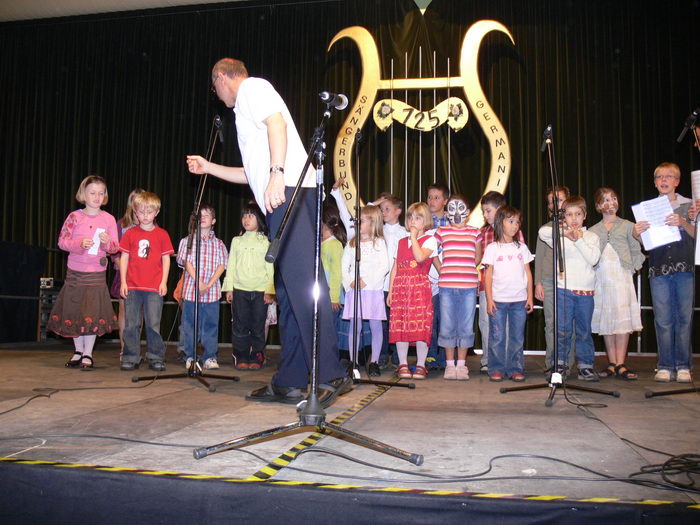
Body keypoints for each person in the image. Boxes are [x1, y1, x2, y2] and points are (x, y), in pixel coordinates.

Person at [186, 58, 350, 406]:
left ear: (221, 77)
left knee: (306, 288)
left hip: (289, 192)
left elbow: (277, 123)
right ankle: (290, 379)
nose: (215, 93)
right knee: (290, 296)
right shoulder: (244, 107)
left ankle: (331, 373)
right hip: (283, 195)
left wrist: (277, 171)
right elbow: (251, 173)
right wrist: (208, 167)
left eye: (214, 85)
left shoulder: (251, 88)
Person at [633, 162, 696, 383]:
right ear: (655, 182)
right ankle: (665, 365)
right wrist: (637, 233)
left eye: (669, 176)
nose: (663, 180)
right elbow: (646, 244)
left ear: (677, 181)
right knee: (663, 319)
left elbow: (697, 235)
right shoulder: (648, 208)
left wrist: (684, 222)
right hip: (658, 267)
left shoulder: (690, 204)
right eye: (659, 176)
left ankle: (683, 366)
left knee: (684, 318)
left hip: (684, 267)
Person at [47, 175, 119, 369]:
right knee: (75, 312)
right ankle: (78, 351)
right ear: (83, 194)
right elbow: (62, 242)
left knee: (92, 313)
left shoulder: (109, 219)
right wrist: (78, 244)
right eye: (92, 192)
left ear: (105, 196)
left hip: (96, 273)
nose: (96, 196)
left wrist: (106, 243)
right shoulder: (74, 217)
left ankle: (88, 353)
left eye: (101, 193)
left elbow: (114, 247)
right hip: (75, 272)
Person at [539, 196, 601, 381]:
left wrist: (579, 240)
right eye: (569, 214)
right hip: (563, 291)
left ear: (584, 215)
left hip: (585, 293)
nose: (573, 218)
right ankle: (561, 364)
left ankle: (585, 365)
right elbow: (542, 232)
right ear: (563, 217)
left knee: (583, 331)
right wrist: (565, 234)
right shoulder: (559, 236)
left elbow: (593, 259)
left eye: (577, 214)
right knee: (563, 330)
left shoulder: (592, 237)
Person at [589, 187, 644, 380]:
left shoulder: (628, 225)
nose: (610, 203)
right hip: (602, 280)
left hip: (621, 278)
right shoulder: (593, 231)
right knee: (607, 320)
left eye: (613, 199)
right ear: (598, 206)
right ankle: (612, 361)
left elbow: (636, 249)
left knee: (621, 320)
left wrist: (633, 265)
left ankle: (621, 362)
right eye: (605, 200)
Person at [119, 191, 174, 371]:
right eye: (141, 212)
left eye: (149, 212)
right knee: (131, 325)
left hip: (153, 288)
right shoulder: (130, 234)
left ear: (156, 212)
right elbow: (124, 258)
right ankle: (131, 356)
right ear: (135, 211)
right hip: (133, 286)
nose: (145, 216)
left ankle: (156, 356)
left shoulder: (162, 234)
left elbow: (166, 260)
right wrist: (123, 282)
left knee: (153, 324)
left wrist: (163, 282)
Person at [482, 206, 534, 382]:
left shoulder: (522, 248)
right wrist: (489, 299)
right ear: (500, 222)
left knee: (517, 337)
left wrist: (530, 296)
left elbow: (528, 273)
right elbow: (487, 275)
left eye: (517, 222)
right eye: (510, 221)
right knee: (497, 336)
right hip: (498, 301)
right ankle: (496, 368)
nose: (514, 225)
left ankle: (515, 368)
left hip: (519, 301)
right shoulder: (492, 248)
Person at [222, 202, 275, 370]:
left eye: (251, 215)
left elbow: (270, 268)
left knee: (258, 325)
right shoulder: (236, 241)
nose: (246, 219)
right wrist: (229, 288)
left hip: (260, 290)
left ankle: (257, 355)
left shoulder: (266, 242)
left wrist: (270, 290)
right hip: (240, 290)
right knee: (240, 325)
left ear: (259, 219)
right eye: (244, 215)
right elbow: (231, 265)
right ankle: (241, 355)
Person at [388, 202, 438, 380]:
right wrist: (391, 290)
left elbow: (419, 257)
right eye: (410, 217)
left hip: (419, 288)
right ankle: (402, 363)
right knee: (400, 325)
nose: (413, 221)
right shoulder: (400, 241)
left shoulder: (430, 240)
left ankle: (420, 365)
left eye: (418, 218)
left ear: (426, 221)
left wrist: (415, 237)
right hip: (401, 288)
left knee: (420, 326)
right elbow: (395, 267)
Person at [476, 191, 524, 374]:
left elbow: (523, 263)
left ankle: (508, 361)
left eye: (488, 211)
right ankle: (489, 360)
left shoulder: (515, 233)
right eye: (483, 212)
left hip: (511, 290)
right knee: (487, 323)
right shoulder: (483, 233)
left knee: (509, 327)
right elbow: (480, 262)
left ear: (500, 210)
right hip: (487, 288)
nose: (485, 215)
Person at [433, 195, 481, 381]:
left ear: (468, 213)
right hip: (446, 286)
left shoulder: (475, 232)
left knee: (465, 325)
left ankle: (461, 365)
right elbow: (432, 253)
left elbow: (477, 257)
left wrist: (467, 269)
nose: (456, 213)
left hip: (468, 287)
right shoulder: (441, 231)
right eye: (451, 210)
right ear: (446, 214)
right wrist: (441, 268)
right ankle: (449, 364)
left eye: (461, 209)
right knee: (447, 324)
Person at [177, 204, 228, 371]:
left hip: (212, 292)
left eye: (207, 215)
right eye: (200, 215)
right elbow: (186, 262)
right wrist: (199, 282)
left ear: (213, 220)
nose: (203, 217)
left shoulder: (219, 243)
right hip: (192, 290)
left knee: (211, 325)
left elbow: (222, 265)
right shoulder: (187, 241)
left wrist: (210, 283)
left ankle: (210, 357)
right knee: (190, 325)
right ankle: (190, 356)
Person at [342, 205, 390, 377]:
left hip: (372, 290)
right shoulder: (351, 244)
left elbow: (384, 266)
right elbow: (344, 266)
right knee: (355, 326)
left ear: (372, 223)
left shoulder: (379, 243)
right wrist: (350, 282)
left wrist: (366, 281)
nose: (358, 223)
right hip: (355, 291)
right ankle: (353, 361)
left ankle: (374, 362)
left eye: (361, 221)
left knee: (376, 326)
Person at [534, 186, 576, 375]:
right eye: (551, 201)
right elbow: (541, 256)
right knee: (551, 322)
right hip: (549, 280)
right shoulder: (545, 229)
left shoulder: (575, 226)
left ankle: (567, 362)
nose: (554, 204)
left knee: (569, 323)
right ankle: (552, 362)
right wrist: (538, 282)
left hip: (571, 280)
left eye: (558, 200)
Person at [110, 188, 144, 359]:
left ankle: (135, 347)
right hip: (124, 275)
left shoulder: (150, 223)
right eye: (135, 201)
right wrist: (121, 266)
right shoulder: (121, 224)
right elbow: (114, 250)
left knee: (140, 312)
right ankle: (124, 348)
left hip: (144, 276)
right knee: (123, 311)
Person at [378, 195, 407, 369]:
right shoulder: (378, 231)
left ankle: (398, 356)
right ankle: (382, 355)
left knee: (398, 322)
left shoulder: (405, 233)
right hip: (380, 284)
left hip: (398, 284)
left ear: (398, 211)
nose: (383, 212)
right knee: (382, 322)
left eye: (387, 208)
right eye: (381, 209)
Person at [426, 183, 450, 371]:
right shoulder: (424, 222)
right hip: (428, 277)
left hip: (448, 276)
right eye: (429, 197)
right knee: (430, 319)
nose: (432, 201)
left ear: (445, 201)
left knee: (446, 319)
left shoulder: (451, 223)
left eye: (436, 197)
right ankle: (430, 355)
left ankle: (445, 357)